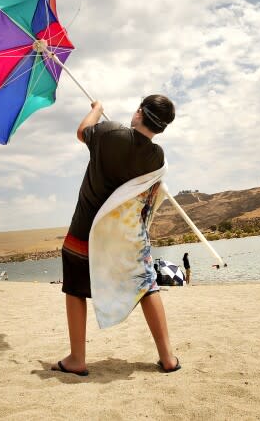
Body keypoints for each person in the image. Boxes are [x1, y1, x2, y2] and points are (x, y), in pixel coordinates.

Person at [52, 95, 180, 377]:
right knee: (147, 286)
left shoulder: (109, 133)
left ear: (138, 113)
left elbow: (81, 131)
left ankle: (77, 358)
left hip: (86, 227)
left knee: (75, 288)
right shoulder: (156, 157)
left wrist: (96, 110)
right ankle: (167, 357)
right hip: (125, 237)